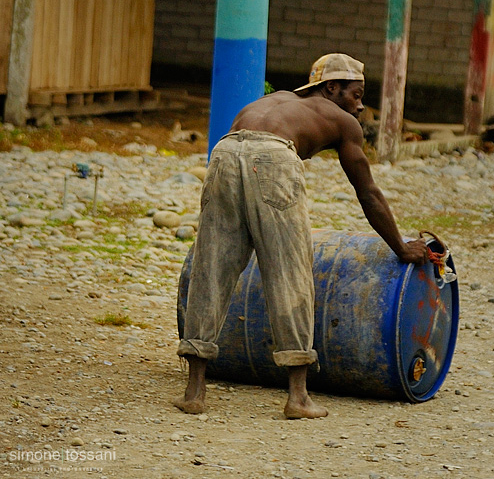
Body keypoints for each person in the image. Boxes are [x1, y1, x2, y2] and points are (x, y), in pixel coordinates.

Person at [173, 53, 429, 419]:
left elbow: (243, 140)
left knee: (211, 268)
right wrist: (401, 247)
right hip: (273, 158)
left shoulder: (274, 99)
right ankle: (298, 397)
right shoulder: (342, 122)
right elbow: (367, 192)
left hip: (225, 151)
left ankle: (194, 392)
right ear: (331, 88)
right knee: (289, 271)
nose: (359, 105)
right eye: (355, 95)